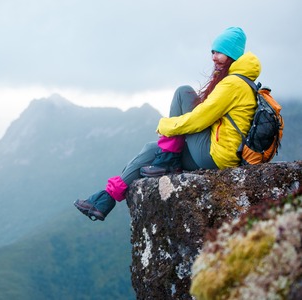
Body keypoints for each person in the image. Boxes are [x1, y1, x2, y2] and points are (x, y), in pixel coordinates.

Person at [74, 27, 261, 221]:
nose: (214, 57)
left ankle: (168, 158)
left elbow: (198, 120)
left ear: (232, 55)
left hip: (216, 156)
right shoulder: (239, 82)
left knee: (183, 92)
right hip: (216, 154)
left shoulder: (234, 84)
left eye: (220, 52)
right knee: (150, 150)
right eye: (213, 52)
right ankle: (106, 199)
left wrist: (165, 125)